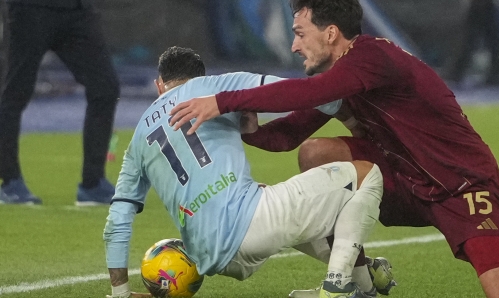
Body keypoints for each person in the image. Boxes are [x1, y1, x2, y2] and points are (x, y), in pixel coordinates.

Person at [167, 0, 499, 297]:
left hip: (461, 185)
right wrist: (251, 131)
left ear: (330, 33)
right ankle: (355, 282)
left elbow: (304, 93)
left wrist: (222, 100)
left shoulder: (371, 58)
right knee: (316, 154)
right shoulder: (343, 77)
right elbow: (288, 136)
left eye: (299, 34)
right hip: (401, 179)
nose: (294, 46)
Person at [103, 46, 385, 298]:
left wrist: (121, 293)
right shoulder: (216, 86)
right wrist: (347, 116)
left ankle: (366, 282)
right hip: (252, 226)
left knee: (287, 205)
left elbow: (117, 219)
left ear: (159, 86)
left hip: (213, 260)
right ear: (200, 77)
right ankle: (337, 287)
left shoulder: (138, 138)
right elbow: (298, 92)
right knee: (366, 174)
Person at [0, 0, 119, 205]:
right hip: (29, 8)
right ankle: (9, 182)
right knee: (15, 93)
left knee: (105, 88)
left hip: (77, 10)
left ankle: (93, 183)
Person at [447, 0, 499, 86]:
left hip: (486, 5)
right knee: (469, 41)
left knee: (491, 41)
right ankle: (455, 73)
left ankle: (496, 75)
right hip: (478, 5)